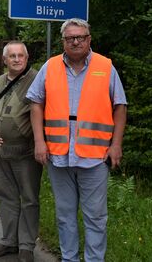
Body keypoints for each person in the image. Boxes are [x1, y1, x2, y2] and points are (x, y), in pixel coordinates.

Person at [27, 18, 127, 262]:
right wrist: (39, 142)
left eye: (80, 37)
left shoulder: (106, 66)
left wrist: (116, 145)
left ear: (89, 39)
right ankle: (69, 258)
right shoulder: (49, 67)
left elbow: (120, 106)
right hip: (58, 155)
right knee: (65, 215)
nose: (75, 41)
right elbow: (36, 103)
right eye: (70, 38)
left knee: (95, 216)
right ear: (63, 41)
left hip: (94, 157)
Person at [0, 42, 41, 262]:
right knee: (5, 196)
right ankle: (9, 241)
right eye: (12, 56)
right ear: (4, 59)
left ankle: (26, 245)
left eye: (21, 55)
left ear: (27, 58)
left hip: (25, 152)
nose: (17, 59)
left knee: (29, 198)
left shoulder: (37, 79)